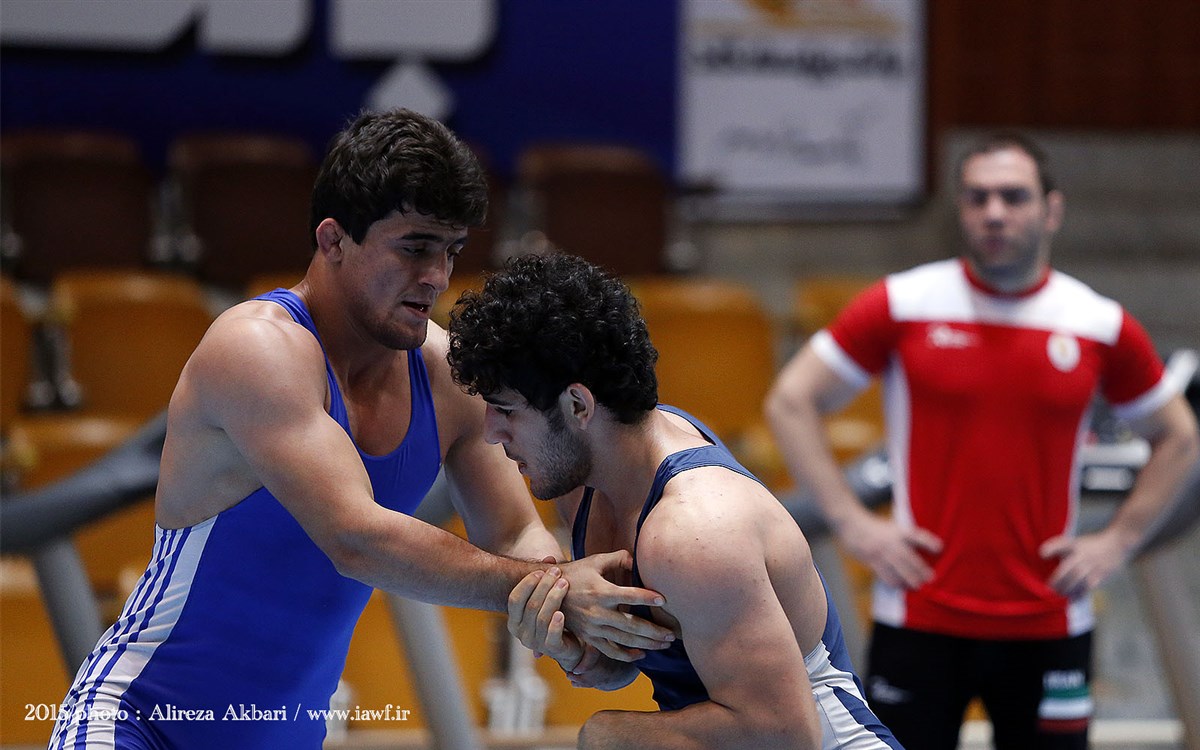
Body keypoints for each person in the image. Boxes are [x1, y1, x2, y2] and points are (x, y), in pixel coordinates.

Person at [48, 109, 673, 750]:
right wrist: (561, 593)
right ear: (333, 240)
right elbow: (356, 539)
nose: (436, 276)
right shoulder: (257, 348)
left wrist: (572, 631)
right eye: (414, 247)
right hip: (140, 724)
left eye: (451, 251)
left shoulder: (443, 375)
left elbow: (515, 534)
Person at [764, 133, 1200, 750]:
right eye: (978, 197)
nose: (994, 212)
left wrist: (1119, 540)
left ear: (1051, 209)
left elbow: (1178, 435)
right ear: (962, 210)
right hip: (918, 616)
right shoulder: (904, 303)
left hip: (1052, 620)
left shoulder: (1098, 323)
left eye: (1013, 197)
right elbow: (790, 401)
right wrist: (852, 523)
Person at [446, 252, 903, 750]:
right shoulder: (589, 478)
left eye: (506, 410)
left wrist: (606, 735)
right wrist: (581, 651)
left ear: (578, 405)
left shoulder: (693, 530)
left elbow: (786, 735)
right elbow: (665, 658)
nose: (490, 433)